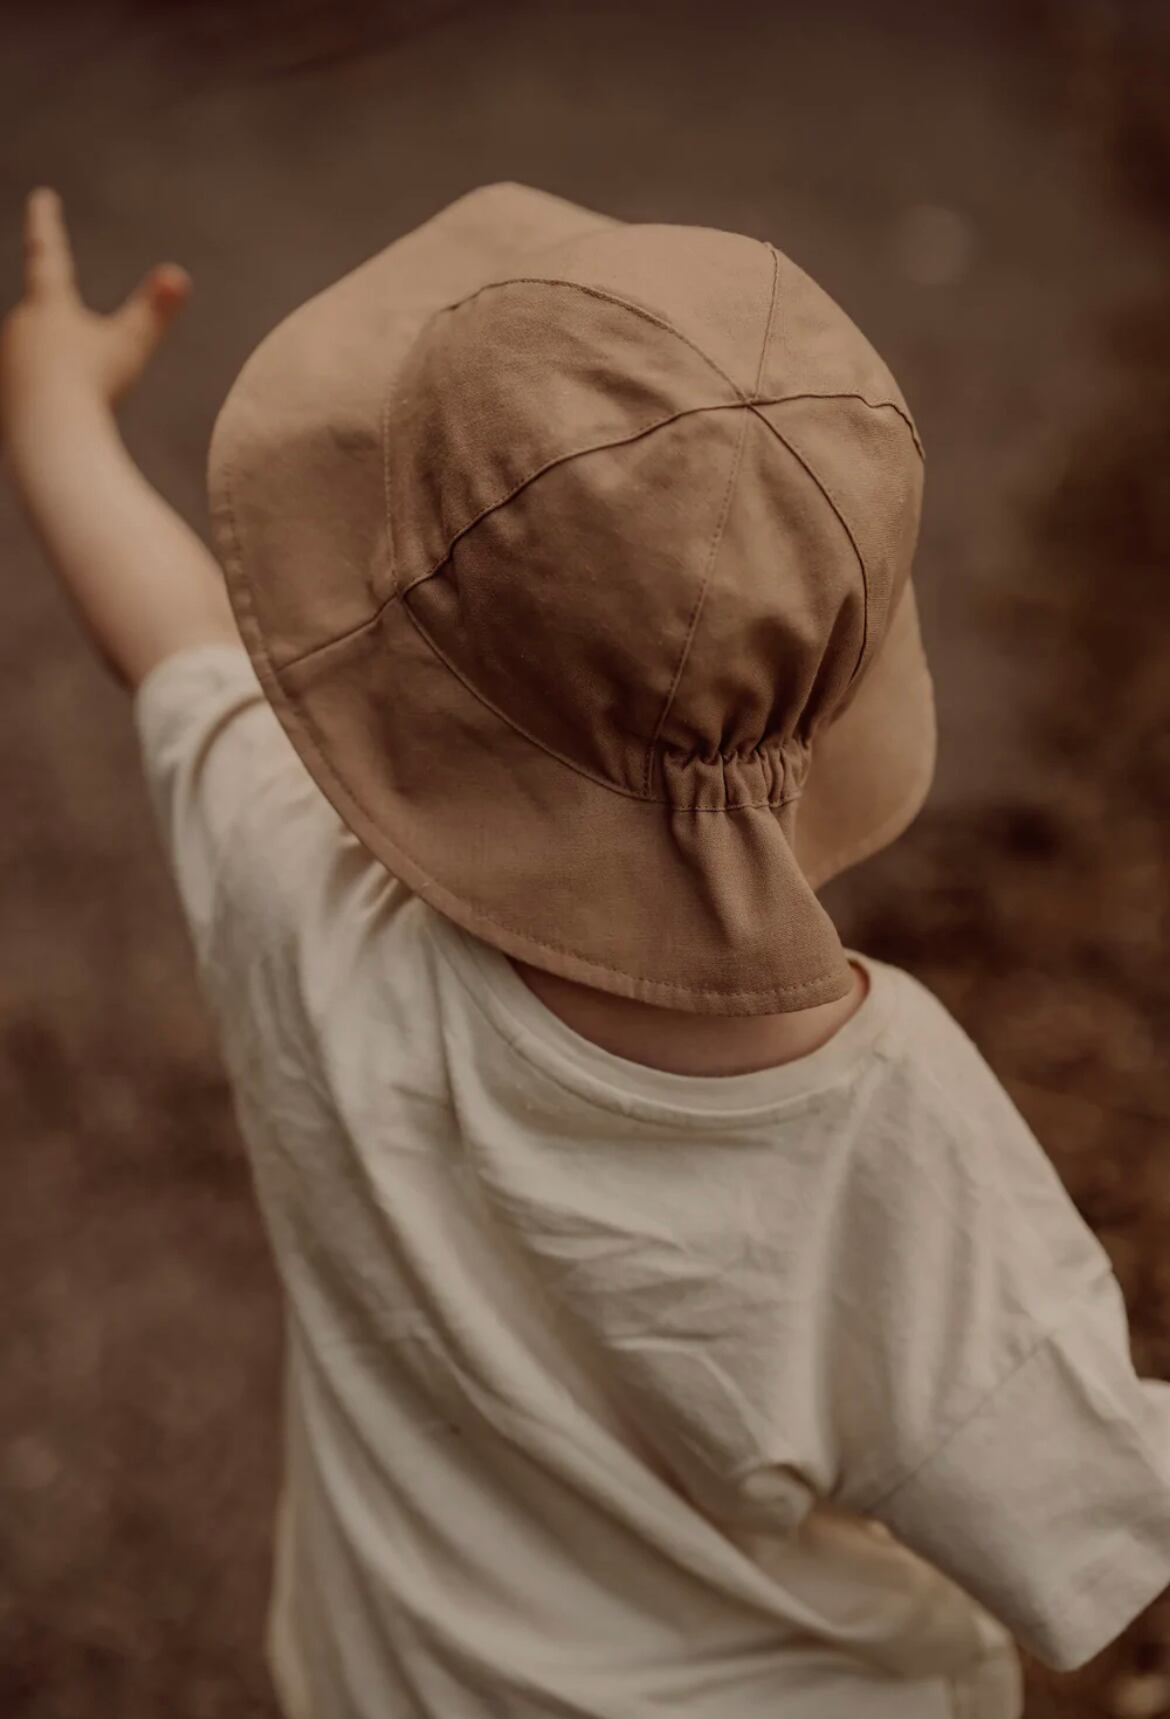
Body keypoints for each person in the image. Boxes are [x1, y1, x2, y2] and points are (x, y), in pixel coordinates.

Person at [4, 179, 1169, 1719]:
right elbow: (1088, 1501)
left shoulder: (301, 889)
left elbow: (172, 643)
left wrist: (53, 409)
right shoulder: (889, 1135)